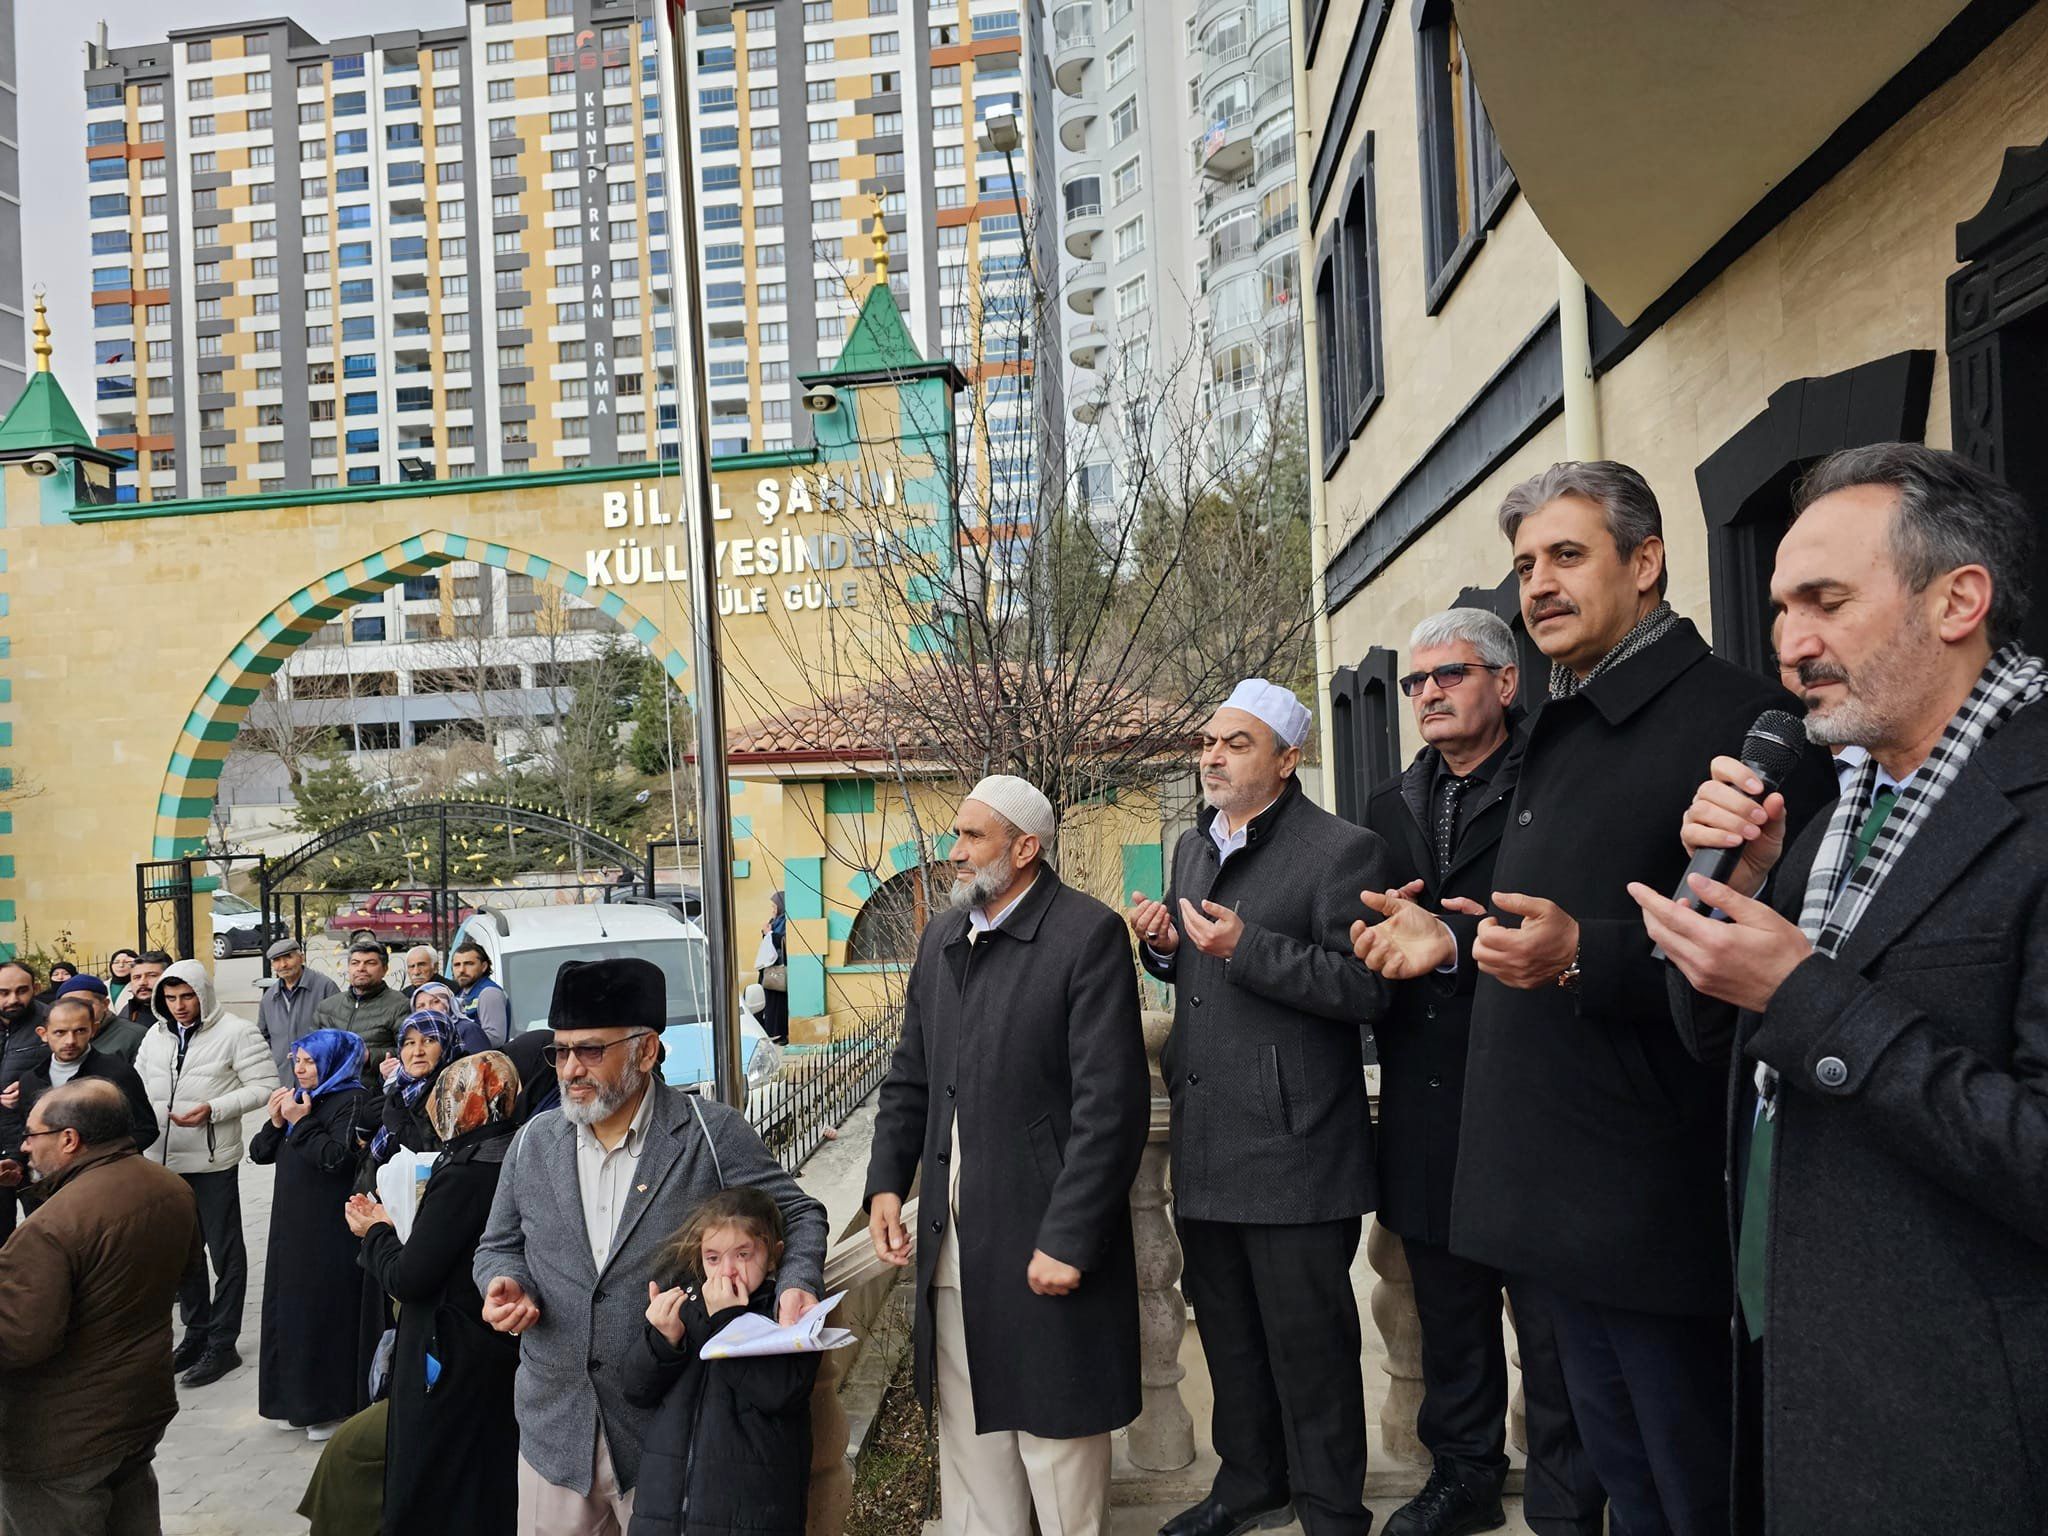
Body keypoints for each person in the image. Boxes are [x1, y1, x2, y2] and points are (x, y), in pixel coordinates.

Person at [1356, 462, 1834, 1536]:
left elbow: (1758, 957)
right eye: (1523, 565)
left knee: (1692, 1487)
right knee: (1615, 1478)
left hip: (1652, 1198)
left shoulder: (1741, 723)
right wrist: (1450, 938)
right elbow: (1546, 920)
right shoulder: (1564, 723)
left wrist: (1583, 960)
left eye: (1565, 556)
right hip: (1551, 1194)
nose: (1536, 585)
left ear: (1646, 562)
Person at [1631, 443, 2048, 1536]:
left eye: (1824, 602)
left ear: (1958, 599)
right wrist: (1732, 901)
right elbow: (1730, 1050)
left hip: (1967, 1434)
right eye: (1777, 609)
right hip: (1797, 1372)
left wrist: (1803, 989)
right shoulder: (1834, 802)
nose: (1788, 646)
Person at [1358, 609, 1604, 1536]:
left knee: (1550, 1324)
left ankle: (1568, 1497)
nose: (1427, 693)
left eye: (1448, 675)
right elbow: (1387, 923)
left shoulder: (1560, 776)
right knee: (1448, 1314)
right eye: (1417, 682)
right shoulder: (1391, 803)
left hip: (1538, 1090)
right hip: (1427, 1099)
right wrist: (1367, 937)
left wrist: (1451, 944)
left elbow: (1576, 923)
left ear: (1506, 683)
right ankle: (1463, 1479)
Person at [1128, 681, 1391, 1536]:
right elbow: (1195, 976)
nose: (1211, 755)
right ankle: (1250, 1484)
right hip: (1207, 1138)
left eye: (1235, 743)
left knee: (1311, 1351)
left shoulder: (1341, 850)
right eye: (1207, 741)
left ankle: (1329, 1510)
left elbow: (1365, 990)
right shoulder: (1189, 850)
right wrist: (1165, 950)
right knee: (1231, 1341)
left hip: (1296, 1146)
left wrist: (1250, 949)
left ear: (1287, 759)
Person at [867, 776, 1150, 1536]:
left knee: (1059, 1462)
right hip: (953, 1251)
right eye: (954, 836)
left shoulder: (1087, 936)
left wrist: (1068, 1239)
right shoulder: (941, 940)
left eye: (972, 838)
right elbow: (911, 1076)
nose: (953, 853)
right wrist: (885, 1186)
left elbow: (1111, 1109)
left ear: (1025, 849)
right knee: (972, 1463)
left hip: (1043, 1247)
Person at [473, 956, 829, 1535]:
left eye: (590, 1050)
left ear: (645, 1050)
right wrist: (502, 1284)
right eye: (560, 1052)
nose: (570, 1069)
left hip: (664, 1434)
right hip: (554, 1430)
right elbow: (499, 1244)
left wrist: (796, 1285)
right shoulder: (534, 1142)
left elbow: (798, 1211)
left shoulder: (709, 1133)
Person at [0, 1079, 200, 1536]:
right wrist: (37, 1189)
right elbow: (182, 1269)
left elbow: (21, 1340)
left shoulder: (47, 1232)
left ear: (69, 1139)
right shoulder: (168, 1186)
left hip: (59, 1436)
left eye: (32, 1136)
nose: (25, 1148)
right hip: (137, 1408)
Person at [348, 1051, 524, 1536]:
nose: (437, 1104)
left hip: (448, 1356)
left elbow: (412, 1276)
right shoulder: (512, 1151)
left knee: (434, 1487)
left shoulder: (468, 1172)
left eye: (448, 1094)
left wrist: (376, 1232)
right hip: (487, 1351)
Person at [625, 1187, 823, 1536]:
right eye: (713, 1258)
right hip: (664, 1514)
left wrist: (728, 1321)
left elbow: (780, 1392)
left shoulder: (787, 1315)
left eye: (743, 1254)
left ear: (774, 1255)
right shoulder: (687, 1310)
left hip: (751, 1516)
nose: (726, 1272)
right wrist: (663, 1340)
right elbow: (636, 1390)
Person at [133, 958, 275, 1389]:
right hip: (162, 1161)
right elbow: (136, 1089)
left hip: (212, 1162)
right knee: (182, 1253)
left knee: (224, 1252)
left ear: (203, 994)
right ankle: (195, 1334)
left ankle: (223, 1342)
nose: (179, 1005)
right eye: (170, 997)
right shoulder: (154, 1037)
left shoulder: (237, 1031)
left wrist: (214, 1109)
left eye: (187, 996)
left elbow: (266, 1086)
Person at [248, 1029, 370, 1440]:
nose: (300, 1069)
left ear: (333, 1061)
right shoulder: (300, 1100)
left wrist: (300, 1124)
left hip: (327, 1228)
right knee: (288, 1310)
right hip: (291, 1225)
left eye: (310, 1061)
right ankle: (290, 1400)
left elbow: (336, 1160)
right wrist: (277, 1121)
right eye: (296, 1060)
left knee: (321, 1311)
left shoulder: (352, 1100)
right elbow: (260, 1153)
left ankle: (325, 1406)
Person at [8, 996, 157, 1154]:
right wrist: (17, 1162)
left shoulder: (117, 1073)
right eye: (60, 1032)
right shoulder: (31, 1080)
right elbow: (28, 1132)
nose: (70, 1041)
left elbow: (146, 1130)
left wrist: (107, 1157)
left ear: (93, 1029)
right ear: (43, 1033)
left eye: (80, 1031)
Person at [358, 1009, 463, 1190]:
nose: (417, 1052)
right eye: (409, 1043)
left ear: (447, 1043)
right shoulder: (399, 1087)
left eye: (429, 1040)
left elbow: (440, 1156)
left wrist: (401, 1126)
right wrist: (363, 1130)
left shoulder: (454, 1091)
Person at [0, 960, 50, 1242]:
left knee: (46, 1235)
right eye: (3, 992)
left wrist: (35, 1086)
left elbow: (79, 1073)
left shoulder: (52, 1021)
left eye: (21, 991)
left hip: (37, 1150)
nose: (12, 999)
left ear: (36, 989)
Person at [315, 940, 409, 1083]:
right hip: (331, 1090)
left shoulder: (400, 1004)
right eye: (355, 963)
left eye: (370, 963)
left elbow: (409, 1050)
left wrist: (369, 1056)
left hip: (374, 1093)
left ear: (384, 969)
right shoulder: (327, 1007)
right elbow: (314, 1046)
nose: (361, 968)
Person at [257, 937, 341, 1085]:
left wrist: (313, 1054)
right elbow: (264, 1038)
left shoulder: (325, 987)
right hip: (285, 1081)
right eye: (276, 960)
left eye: (288, 957)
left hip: (321, 1078)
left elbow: (339, 1033)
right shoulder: (269, 998)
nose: (283, 965)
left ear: (301, 957)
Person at [65, 975, 145, 1065]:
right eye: (67, 1005)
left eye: (85, 1004)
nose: (76, 1010)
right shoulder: (55, 1037)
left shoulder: (134, 1036)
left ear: (105, 1004)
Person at [450, 938, 511, 1049]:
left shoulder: (489, 993)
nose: (462, 970)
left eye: (469, 964)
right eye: (457, 965)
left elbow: (495, 1039)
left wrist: (454, 1046)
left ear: (484, 967)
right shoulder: (460, 993)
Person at [756, 892, 789, 1045]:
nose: (773, 909)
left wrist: (770, 933)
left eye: (774, 906)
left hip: (778, 970)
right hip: (769, 969)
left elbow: (783, 941)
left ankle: (780, 1035)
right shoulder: (774, 921)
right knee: (769, 1004)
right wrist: (766, 932)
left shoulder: (786, 921)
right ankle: (770, 1033)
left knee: (778, 1005)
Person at [110, 951, 169, 1032]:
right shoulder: (126, 1014)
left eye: (152, 975)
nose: (142, 983)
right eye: (137, 977)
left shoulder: (181, 1013)